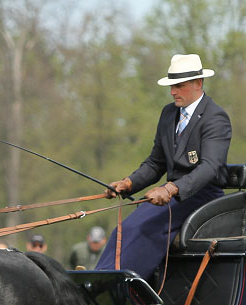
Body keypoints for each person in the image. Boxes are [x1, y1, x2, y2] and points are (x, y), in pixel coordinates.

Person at [95, 53, 231, 279]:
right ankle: (101, 276)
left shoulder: (215, 118)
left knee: (142, 228)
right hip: (172, 197)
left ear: (198, 83)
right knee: (123, 229)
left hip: (202, 195)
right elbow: (155, 163)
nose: (173, 92)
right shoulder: (168, 114)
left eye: (179, 85)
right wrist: (128, 183)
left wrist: (171, 189)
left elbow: (209, 167)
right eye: (171, 86)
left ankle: (120, 282)